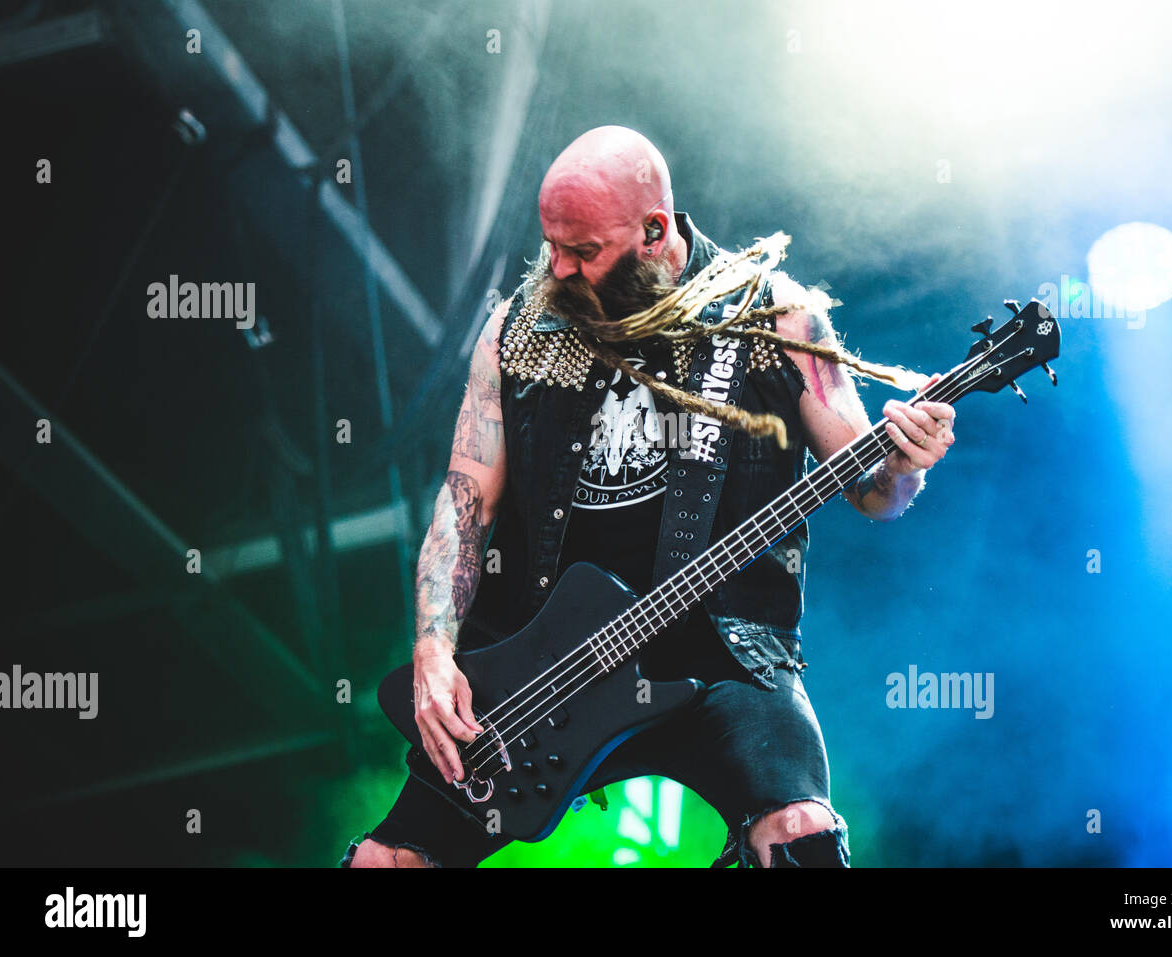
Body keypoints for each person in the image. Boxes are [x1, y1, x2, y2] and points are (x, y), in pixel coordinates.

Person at [341, 125, 955, 868]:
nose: (559, 269)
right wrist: (434, 648)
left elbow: (874, 491)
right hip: (547, 669)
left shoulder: (773, 320)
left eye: (584, 251)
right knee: (384, 862)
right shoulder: (521, 330)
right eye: (551, 244)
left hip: (726, 660)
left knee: (800, 836)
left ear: (655, 230)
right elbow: (464, 502)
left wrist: (906, 462)